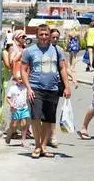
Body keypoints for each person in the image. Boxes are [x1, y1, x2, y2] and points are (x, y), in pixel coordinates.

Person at [21, 24, 71, 158]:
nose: (44, 37)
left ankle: (43, 146)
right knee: (36, 117)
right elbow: (23, 70)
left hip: (52, 89)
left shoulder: (57, 50)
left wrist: (67, 86)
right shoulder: (29, 51)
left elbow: (62, 68)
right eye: (41, 35)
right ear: (37, 36)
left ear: (49, 35)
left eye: (46, 35)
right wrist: (29, 88)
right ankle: (37, 146)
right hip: (35, 88)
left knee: (48, 119)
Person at [47, 28, 77, 148]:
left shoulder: (58, 50)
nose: (54, 40)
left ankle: (52, 136)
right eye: (52, 37)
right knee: (44, 111)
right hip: (43, 84)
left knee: (52, 110)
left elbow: (64, 67)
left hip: (56, 84)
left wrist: (72, 78)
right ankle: (45, 134)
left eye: (56, 38)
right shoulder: (42, 49)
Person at [5, 72, 30, 147]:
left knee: (24, 124)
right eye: (19, 79)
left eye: (23, 78)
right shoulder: (13, 88)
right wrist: (11, 104)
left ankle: (23, 140)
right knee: (14, 124)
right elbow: (8, 98)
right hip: (15, 109)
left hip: (24, 108)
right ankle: (9, 134)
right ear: (15, 80)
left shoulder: (26, 87)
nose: (22, 80)